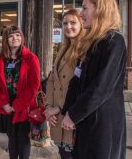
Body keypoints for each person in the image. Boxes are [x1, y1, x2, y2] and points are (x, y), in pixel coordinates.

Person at [61, 0, 127, 159]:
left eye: (84, 8)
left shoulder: (114, 42)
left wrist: (73, 114)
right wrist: (68, 112)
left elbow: (101, 87)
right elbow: (77, 80)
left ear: (101, 10)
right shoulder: (92, 43)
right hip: (86, 122)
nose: (81, 14)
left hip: (102, 126)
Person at [0, 26, 41, 159]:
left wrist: (17, 105)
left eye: (18, 35)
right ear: (6, 39)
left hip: (24, 106)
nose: (15, 38)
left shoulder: (31, 58)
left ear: (22, 37)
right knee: (11, 138)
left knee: (23, 138)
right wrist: (4, 103)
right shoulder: (1, 59)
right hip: (6, 107)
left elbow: (34, 85)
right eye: (11, 36)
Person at [44, 9, 85, 159]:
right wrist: (48, 107)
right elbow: (52, 80)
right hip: (56, 115)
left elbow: (79, 85)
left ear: (81, 24)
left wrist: (58, 108)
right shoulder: (63, 48)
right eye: (65, 23)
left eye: (73, 22)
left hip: (71, 114)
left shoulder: (84, 50)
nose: (68, 26)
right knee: (63, 153)